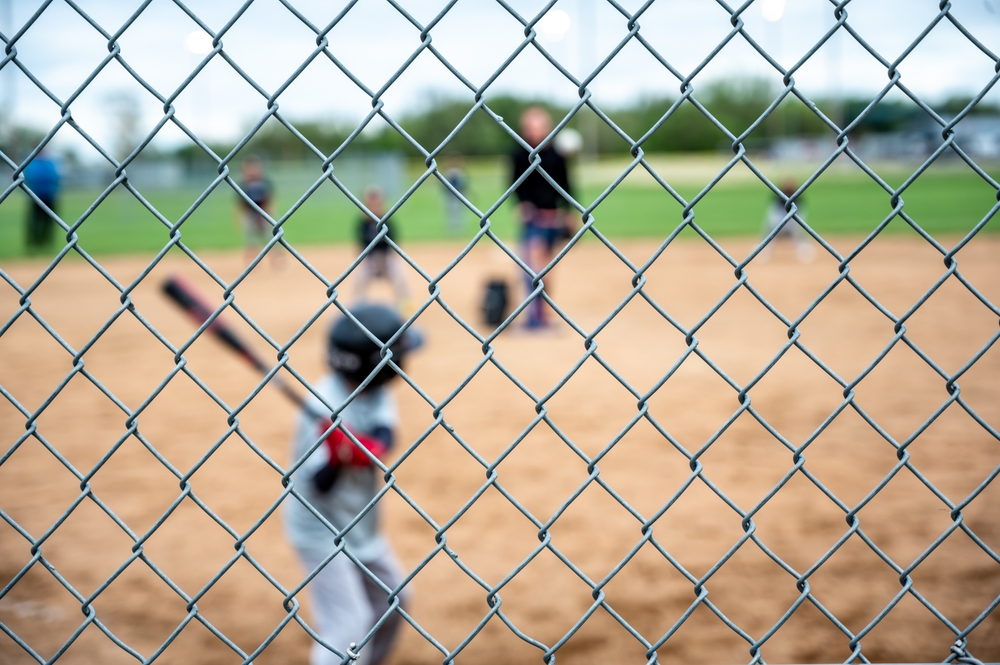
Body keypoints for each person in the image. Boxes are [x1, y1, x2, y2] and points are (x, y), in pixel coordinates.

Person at [284, 304, 420, 665]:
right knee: (349, 625)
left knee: (395, 599)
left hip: (359, 524)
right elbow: (318, 485)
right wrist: (337, 457)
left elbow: (384, 436)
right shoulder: (321, 405)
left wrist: (361, 448)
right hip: (319, 530)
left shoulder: (374, 391)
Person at [509, 106, 575, 329]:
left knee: (548, 270)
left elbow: (567, 186)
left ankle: (543, 313)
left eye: (540, 127)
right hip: (533, 220)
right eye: (531, 128)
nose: (536, 132)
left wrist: (569, 212)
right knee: (533, 268)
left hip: (553, 219)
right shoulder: (519, 155)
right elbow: (514, 185)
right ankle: (533, 317)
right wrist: (521, 205)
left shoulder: (557, 155)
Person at [355, 186, 410, 307]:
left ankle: (406, 308)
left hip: (387, 257)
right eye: (371, 203)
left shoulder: (388, 221)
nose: (374, 206)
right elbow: (360, 248)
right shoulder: (362, 224)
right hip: (369, 259)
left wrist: (384, 261)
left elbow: (394, 248)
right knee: (358, 277)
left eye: (377, 203)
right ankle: (356, 309)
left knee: (400, 274)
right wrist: (373, 261)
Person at [235, 155, 281, 267]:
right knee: (250, 239)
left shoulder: (264, 182)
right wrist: (241, 217)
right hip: (250, 213)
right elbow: (240, 203)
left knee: (270, 237)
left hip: (265, 213)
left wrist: (268, 214)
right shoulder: (244, 184)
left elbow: (270, 199)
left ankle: (276, 261)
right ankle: (251, 262)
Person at [759, 178, 814, 263]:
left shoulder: (798, 196)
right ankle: (764, 252)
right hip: (780, 218)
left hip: (793, 218)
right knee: (771, 233)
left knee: (797, 234)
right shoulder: (778, 196)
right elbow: (773, 213)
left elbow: (801, 212)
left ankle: (804, 251)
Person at [22, 152, 60, 251]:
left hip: (48, 196)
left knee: (48, 221)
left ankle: (46, 241)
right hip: (36, 196)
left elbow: (55, 178)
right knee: (35, 221)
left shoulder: (49, 163)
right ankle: (35, 241)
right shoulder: (34, 163)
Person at [441, 154, 469, 234]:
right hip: (450, 195)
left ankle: (457, 227)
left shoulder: (459, 173)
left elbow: (463, 185)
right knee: (451, 211)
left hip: (458, 195)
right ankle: (452, 228)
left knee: (458, 211)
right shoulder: (449, 172)